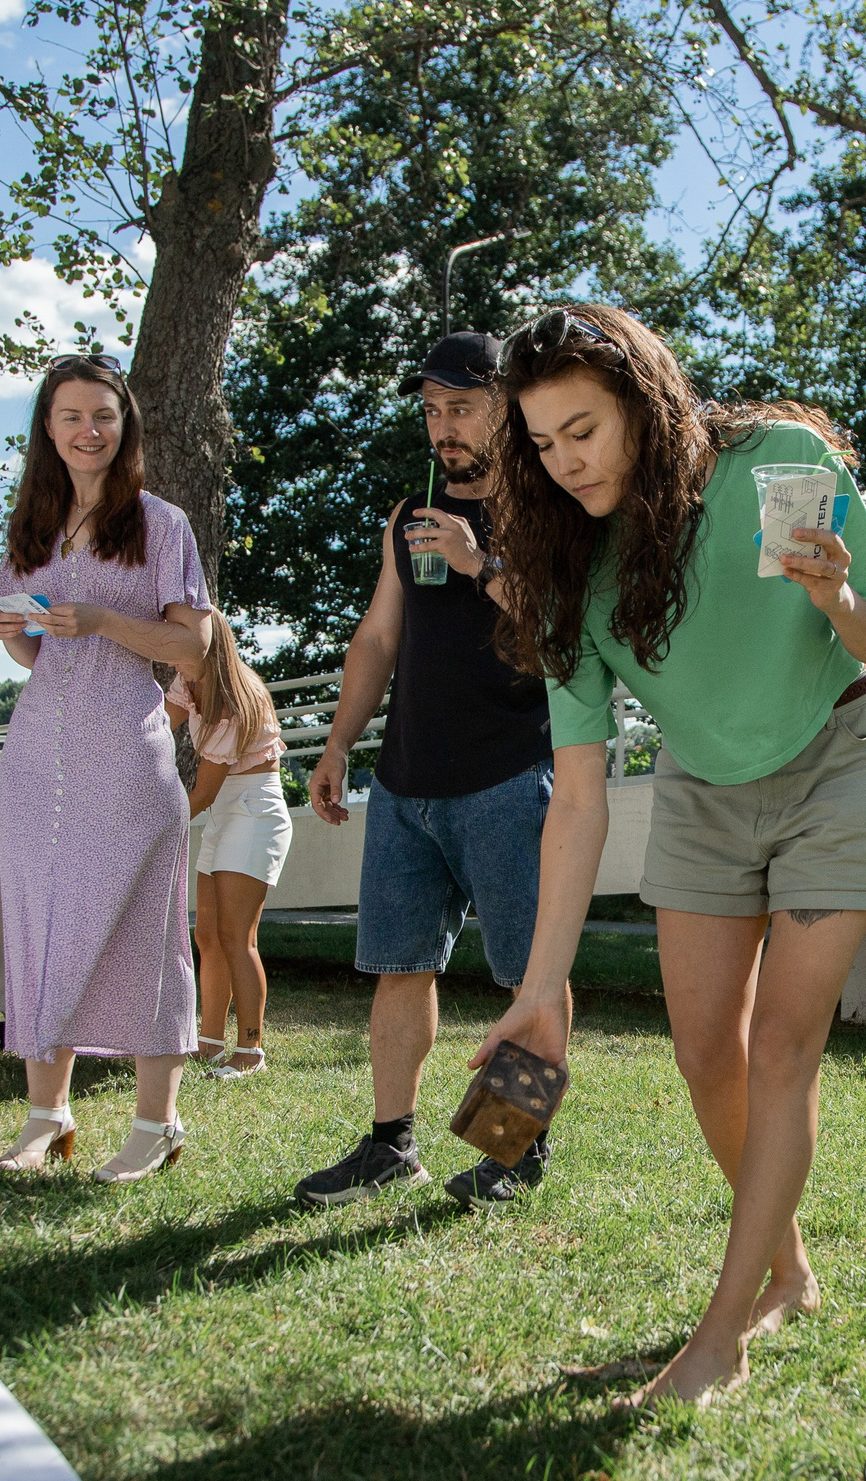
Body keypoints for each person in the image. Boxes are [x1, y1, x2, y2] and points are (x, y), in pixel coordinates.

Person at [474, 306, 866, 1406]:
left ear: (643, 402)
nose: (564, 460)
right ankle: (792, 1268)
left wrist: (834, 595)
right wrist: (541, 990)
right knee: (702, 1057)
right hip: (704, 790)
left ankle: (723, 1332)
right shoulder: (568, 569)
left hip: (838, 759)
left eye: (582, 428)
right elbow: (575, 797)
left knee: (781, 1049)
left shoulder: (776, 464)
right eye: (541, 442)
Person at [292, 331, 566, 1209]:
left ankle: (515, 1151)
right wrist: (338, 745)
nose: (441, 427)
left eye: (459, 408)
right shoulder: (410, 510)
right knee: (399, 967)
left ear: (503, 408)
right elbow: (378, 637)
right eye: (430, 410)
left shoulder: (547, 503)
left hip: (510, 774)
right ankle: (389, 1145)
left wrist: (479, 560)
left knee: (533, 972)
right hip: (407, 780)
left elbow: (561, 632)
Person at [0, 353, 211, 1183]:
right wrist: (14, 625)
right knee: (41, 921)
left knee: (145, 931)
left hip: (127, 751)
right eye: (72, 415)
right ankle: (47, 1114)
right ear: (47, 426)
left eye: (104, 416)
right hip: (39, 752)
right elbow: (23, 644)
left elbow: (191, 646)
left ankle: (157, 1123)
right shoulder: (31, 526)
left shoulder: (162, 524)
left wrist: (107, 620)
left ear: (126, 427)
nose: (89, 430)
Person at [164, 607, 290, 1080]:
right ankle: (209, 1041)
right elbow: (158, 729)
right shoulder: (189, 678)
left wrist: (152, 818)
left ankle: (250, 1050)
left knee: (239, 937)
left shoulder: (234, 700)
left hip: (254, 810)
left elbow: (203, 792)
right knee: (208, 934)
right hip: (223, 811)